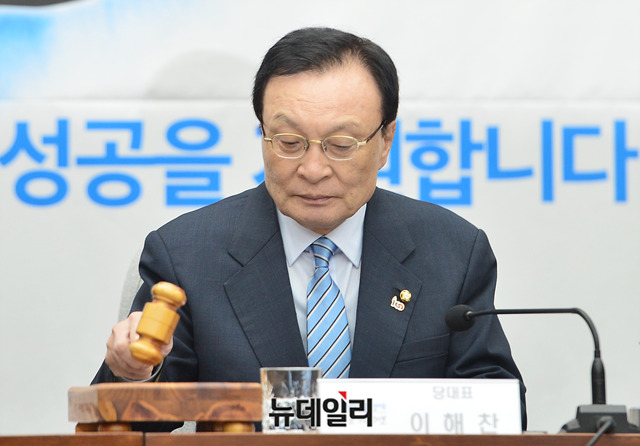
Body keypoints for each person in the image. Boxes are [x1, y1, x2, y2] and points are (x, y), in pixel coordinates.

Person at [92, 26, 526, 429]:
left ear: (385, 142)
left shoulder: (452, 251)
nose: (313, 169)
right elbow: (130, 422)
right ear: (263, 133)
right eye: (289, 142)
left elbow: (499, 409)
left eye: (341, 145)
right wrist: (136, 371)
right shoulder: (187, 254)